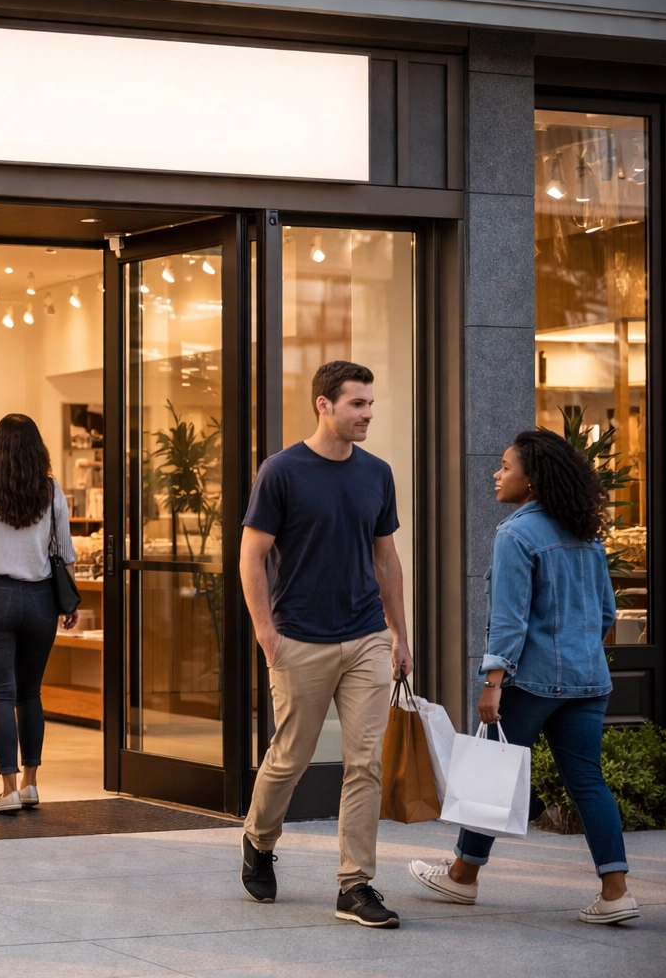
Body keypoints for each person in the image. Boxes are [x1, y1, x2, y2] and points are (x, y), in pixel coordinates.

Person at [409, 431, 636, 924]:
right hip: (588, 680)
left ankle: (462, 877)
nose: (496, 474)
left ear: (531, 480)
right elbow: (605, 613)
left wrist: (493, 683)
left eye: (506, 467)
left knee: (490, 771)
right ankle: (616, 892)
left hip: (531, 681)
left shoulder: (516, 535)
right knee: (588, 782)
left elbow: (509, 621)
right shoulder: (586, 534)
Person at [239, 360, 413, 929]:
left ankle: (354, 885)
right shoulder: (282, 471)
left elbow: (386, 560)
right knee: (291, 756)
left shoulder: (377, 474)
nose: (368, 414)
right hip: (300, 639)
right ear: (324, 404)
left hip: (366, 638)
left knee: (364, 763)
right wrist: (266, 632)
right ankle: (259, 839)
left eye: (370, 403)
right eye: (357, 404)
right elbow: (251, 555)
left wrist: (399, 634)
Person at [0, 413, 78, 813]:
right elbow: (65, 552)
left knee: (1, 696)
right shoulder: (52, 492)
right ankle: (31, 783)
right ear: (38, 451)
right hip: (41, 601)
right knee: (30, 694)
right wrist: (70, 602)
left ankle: (8, 789)